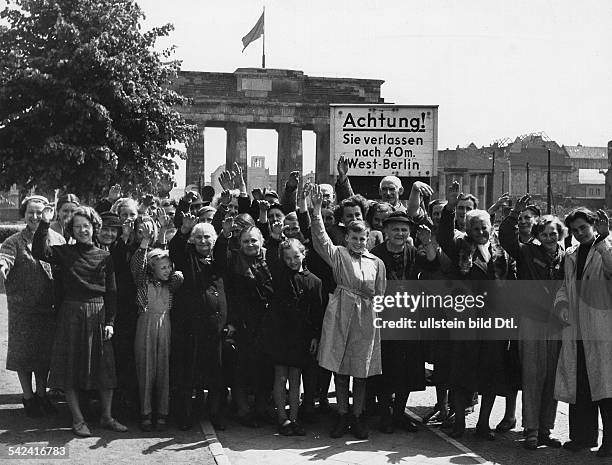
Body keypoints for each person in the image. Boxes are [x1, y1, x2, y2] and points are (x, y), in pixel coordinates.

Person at [32, 205, 127, 437]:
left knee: (105, 370)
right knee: (70, 370)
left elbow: (112, 293)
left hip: (99, 314)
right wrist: (45, 223)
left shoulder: (105, 256)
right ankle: (78, 419)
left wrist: (110, 322)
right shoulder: (64, 252)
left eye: (87, 226)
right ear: (71, 231)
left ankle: (106, 417)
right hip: (71, 314)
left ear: (95, 227)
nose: (83, 230)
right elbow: (38, 251)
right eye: (78, 227)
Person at [310, 185, 387, 440]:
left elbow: (381, 294)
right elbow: (321, 240)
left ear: (368, 239)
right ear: (347, 239)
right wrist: (317, 212)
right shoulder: (339, 255)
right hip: (342, 311)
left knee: (361, 371)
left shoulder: (377, 263)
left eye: (362, 238)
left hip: (366, 318)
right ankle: (342, 415)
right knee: (341, 370)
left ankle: (358, 416)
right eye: (353, 238)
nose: (357, 242)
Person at [438, 181, 512, 440]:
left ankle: (483, 425)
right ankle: (459, 423)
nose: (481, 231)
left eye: (484, 227)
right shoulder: (461, 247)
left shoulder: (500, 253)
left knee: (490, 374)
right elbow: (444, 236)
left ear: (490, 228)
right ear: (468, 230)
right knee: (462, 373)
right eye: (476, 228)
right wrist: (449, 207)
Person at [499, 195, 565, 450]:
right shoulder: (527, 252)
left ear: (559, 234)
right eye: (545, 234)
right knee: (533, 375)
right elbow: (506, 239)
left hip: (556, 323)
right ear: (538, 235)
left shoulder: (565, 256)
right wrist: (515, 215)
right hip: (531, 321)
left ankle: (547, 429)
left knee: (551, 377)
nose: (549, 238)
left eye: (553, 234)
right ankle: (531, 430)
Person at [371, 212, 438, 434]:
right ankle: (384, 416)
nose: (400, 233)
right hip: (384, 319)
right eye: (395, 229)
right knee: (386, 370)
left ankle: (399, 415)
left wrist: (428, 242)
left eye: (404, 230)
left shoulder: (412, 251)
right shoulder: (376, 255)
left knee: (408, 370)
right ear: (386, 231)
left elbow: (432, 261)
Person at [554, 208, 612, 458]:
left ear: (594, 225)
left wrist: (605, 239)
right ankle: (581, 437)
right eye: (575, 230)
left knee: (606, 387)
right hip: (576, 328)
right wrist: (561, 303)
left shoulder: (606, 249)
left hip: (601, 326)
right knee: (581, 385)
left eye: (583, 228)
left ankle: (609, 441)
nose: (580, 234)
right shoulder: (571, 254)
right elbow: (563, 287)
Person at [0, 195, 65, 417]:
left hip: (50, 307)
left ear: (48, 213)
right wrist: (2, 266)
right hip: (23, 308)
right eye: (31, 212)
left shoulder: (57, 239)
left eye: (40, 212)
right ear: (24, 214)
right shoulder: (14, 241)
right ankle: (28, 398)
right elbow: (5, 258)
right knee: (24, 354)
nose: (35, 216)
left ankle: (41, 394)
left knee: (45, 355)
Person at [169, 216, 228, 431]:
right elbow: (176, 250)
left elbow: (223, 253)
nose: (203, 241)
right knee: (189, 373)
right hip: (191, 328)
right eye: (199, 238)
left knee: (216, 374)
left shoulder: (218, 261)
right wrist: (184, 231)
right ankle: (185, 415)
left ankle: (215, 413)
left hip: (215, 329)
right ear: (193, 241)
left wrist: (224, 236)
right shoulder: (188, 258)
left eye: (207, 238)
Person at [267, 238, 323, 436]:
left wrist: (315, 337)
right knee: (280, 377)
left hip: (301, 337)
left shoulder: (314, 281)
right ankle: (282, 418)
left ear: (304, 254)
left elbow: (317, 312)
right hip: (280, 335)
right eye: (288, 258)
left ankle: (295, 418)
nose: (292, 261)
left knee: (296, 379)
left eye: (296, 256)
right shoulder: (278, 276)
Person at [131, 246, 183, 432]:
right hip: (145, 324)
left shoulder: (172, 283)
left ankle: (162, 412)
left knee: (163, 369)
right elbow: (138, 267)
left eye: (169, 266)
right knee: (146, 368)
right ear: (152, 269)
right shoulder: (143, 283)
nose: (168, 270)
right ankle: (145, 412)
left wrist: (166, 260)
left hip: (165, 324)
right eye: (163, 268)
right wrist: (146, 246)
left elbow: (179, 276)